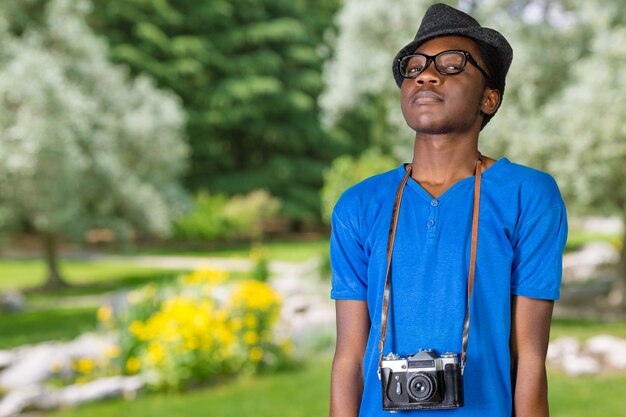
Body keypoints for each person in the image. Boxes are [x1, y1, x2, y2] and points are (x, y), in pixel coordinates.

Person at [329, 3, 567, 417]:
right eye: (414, 66)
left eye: (453, 64)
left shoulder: (528, 194)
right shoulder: (359, 204)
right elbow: (348, 357)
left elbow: (529, 357)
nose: (425, 73)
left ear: (489, 99)